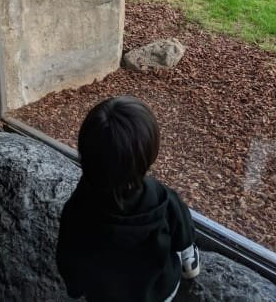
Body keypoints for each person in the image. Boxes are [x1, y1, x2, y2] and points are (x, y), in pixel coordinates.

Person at [56, 95, 199, 302]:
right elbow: (183, 229)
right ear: (148, 155)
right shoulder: (160, 195)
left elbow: (68, 254)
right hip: (159, 291)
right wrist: (186, 250)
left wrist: (76, 287)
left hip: (104, 295)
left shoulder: (79, 205)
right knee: (183, 241)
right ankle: (190, 262)